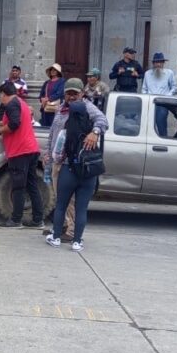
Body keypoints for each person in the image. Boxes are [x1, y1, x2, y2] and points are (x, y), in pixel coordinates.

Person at [45, 79, 108, 252]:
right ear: (64, 94)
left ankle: (70, 233)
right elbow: (53, 133)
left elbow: (102, 121)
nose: (72, 96)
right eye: (69, 93)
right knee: (68, 203)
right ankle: (69, 235)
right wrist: (48, 153)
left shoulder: (87, 107)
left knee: (69, 204)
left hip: (72, 165)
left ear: (82, 93)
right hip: (59, 161)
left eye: (75, 93)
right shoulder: (61, 108)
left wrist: (95, 132)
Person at [0, 81, 44, 229]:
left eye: (0, 95)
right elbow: (13, 121)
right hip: (30, 149)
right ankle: (38, 220)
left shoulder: (11, 104)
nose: (1, 99)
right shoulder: (21, 103)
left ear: (4, 94)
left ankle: (16, 220)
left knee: (18, 186)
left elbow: (14, 124)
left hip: (20, 151)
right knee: (32, 185)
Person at [142, 52, 177, 138]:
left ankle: (163, 141)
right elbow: (144, 89)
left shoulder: (169, 73)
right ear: (153, 63)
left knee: (161, 125)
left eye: (160, 62)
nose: (158, 64)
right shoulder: (147, 74)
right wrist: (146, 99)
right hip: (150, 103)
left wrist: (167, 96)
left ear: (163, 63)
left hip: (163, 103)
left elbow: (174, 87)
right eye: (156, 62)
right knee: (148, 126)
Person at [39, 62, 66, 127]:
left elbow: (60, 93)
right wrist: (42, 99)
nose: (52, 71)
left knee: (54, 125)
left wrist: (49, 99)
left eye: (55, 70)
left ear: (58, 72)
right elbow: (41, 94)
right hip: (45, 107)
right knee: (45, 125)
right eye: (51, 70)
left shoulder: (62, 81)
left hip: (56, 108)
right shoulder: (47, 82)